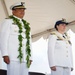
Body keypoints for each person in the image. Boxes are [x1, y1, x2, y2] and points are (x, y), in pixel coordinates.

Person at [0, 2, 32, 75]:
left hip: (25, 57)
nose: (22, 11)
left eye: (23, 10)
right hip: (13, 57)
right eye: (20, 9)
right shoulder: (8, 22)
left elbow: (29, 42)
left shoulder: (26, 25)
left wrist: (30, 57)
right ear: (13, 11)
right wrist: (5, 54)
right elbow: (3, 39)